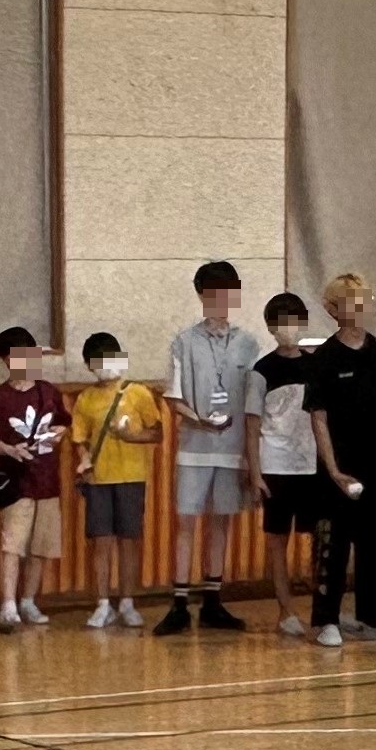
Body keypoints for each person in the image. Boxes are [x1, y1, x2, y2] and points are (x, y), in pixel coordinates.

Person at [300, 274, 376, 646]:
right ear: (332, 309)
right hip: (337, 470)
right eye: (346, 303)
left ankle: (373, 615)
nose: (355, 310)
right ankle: (326, 619)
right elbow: (318, 418)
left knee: (374, 542)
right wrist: (333, 470)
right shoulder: (324, 359)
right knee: (334, 545)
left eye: (361, 302)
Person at [159, 262, 261, 633]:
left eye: (227, 293)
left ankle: (213, 600)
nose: (220, 300)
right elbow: (173, 396)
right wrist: (198, 418)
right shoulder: (183, 342)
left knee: (222, 523)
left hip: (233, 448)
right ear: (202, 296)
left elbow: (254, 402)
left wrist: (253, 457)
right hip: (195, 446)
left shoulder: (249, 344)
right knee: (186, 522)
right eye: (213, 293)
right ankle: (179, 603)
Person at [72, 332, 161, 630]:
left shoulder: (138, 393)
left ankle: (127, 602)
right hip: (99, 479)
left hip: (132, 477)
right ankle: (102, 604)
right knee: (101, 542)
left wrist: (130, 437)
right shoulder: (85, 399)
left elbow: (156, 432)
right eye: (97, 361)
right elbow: (79, 439)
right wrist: (83, 458)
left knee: (129, 542)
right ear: (88, 365)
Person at [245, 293, 322, 638]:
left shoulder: (315, 365)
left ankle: (323, 610)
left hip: (312, 465)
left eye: (295, 320)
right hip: (276, 466)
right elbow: (251, 424)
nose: (289, 329)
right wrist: (256, 473)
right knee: (278, 540)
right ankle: (285, 610)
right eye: (281, 322)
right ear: (271, 328)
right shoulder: (261, 371)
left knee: (320, 536)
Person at [0, 326, 67, 630]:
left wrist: (58, 434)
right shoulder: (0, 398)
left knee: (41, 546)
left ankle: (28, 600)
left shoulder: (49, 391)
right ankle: (8, 604)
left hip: (48, 480)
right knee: (12, 545)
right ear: (4, 360)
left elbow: (63, 423)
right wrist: (8, 449)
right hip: (16, 482)